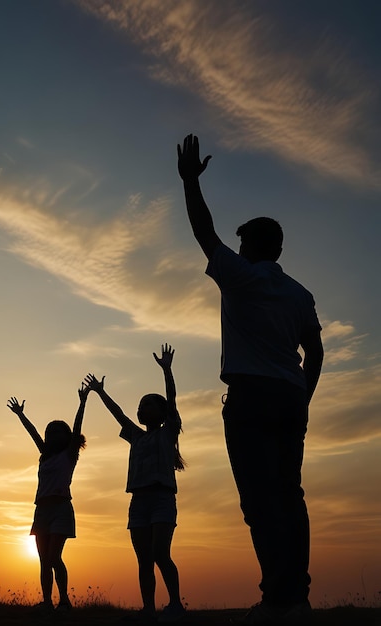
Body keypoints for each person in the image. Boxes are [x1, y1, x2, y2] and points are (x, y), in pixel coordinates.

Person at [177, 134, 324, 626]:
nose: (235, 248)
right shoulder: (301, 294)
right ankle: (295, 599)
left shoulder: (241, 277)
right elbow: (316, 350)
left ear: (254, 246)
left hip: (252, 398)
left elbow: (203, 231)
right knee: (290, 494)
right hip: (290, 396)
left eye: (242, 243)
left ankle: (278, 600)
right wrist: (305, 394)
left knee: (259, 501)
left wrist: (190, 183)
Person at [84, 344, 186, 624]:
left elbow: (172, 400)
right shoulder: (136, 436)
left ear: (162, 412)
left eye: (148, 404)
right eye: (141, 405)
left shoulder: (168, 434)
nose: (142, 407)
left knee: (160, 554)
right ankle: (149, 609)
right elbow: (117, 413)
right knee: (144, 559)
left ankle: (176, 604)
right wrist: (100, 392)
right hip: (138, 502)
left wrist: (167, 370)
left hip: (162, 499)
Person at [6, 383, 89, 613]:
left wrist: (82, 403)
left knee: (54, 557)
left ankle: (64, 600)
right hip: (42, 509)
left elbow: (78, 425)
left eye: (56, 431)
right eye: (49, 432)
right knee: (44, 560)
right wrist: (21, 415)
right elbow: (33, 434)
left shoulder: (69, 455)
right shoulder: (45, 455)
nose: (51, 435)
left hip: (61, 508)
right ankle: (47, 601)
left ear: (66, 436)